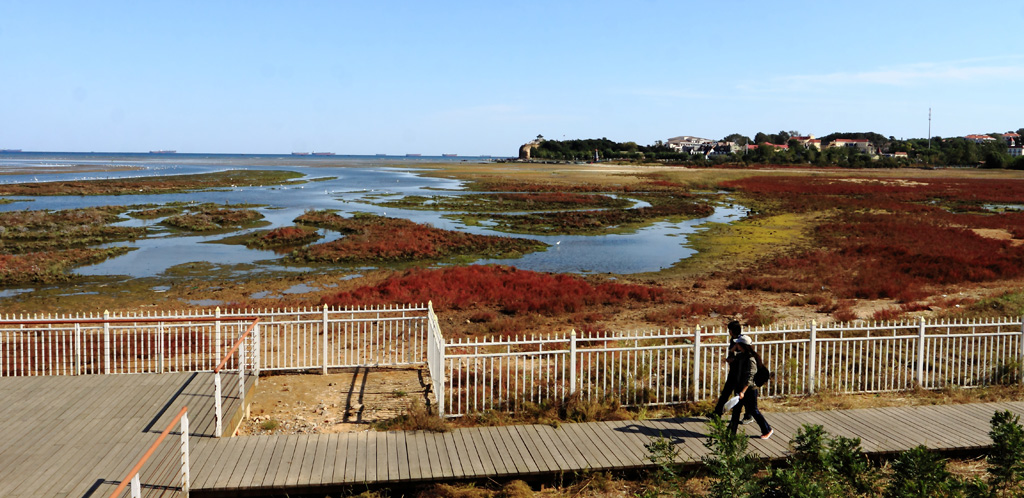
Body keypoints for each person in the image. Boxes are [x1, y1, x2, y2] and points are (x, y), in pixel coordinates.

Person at [727, 335, 773, 439]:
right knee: (736, 410)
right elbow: (730, 357)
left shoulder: (751, 359)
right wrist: (733, 349)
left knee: (753, 410)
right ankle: (731, 433)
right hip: (740, 387)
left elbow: (750, 377)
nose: (736, 345)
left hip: (749, 390)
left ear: (743, 345)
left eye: (738, 343)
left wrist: (743, 391)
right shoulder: (741, 355)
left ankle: (767, 430)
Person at [712, 321, 753, 424]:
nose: (728, 332)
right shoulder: (733, 340)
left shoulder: (741, 341)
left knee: (741, 395)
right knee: (726, 392)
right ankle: (717, 413)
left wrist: (733, 358)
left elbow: (742, 357)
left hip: (740, 373)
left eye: (729, 330)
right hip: (734, 371)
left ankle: (748, 415)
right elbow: (732, 353)